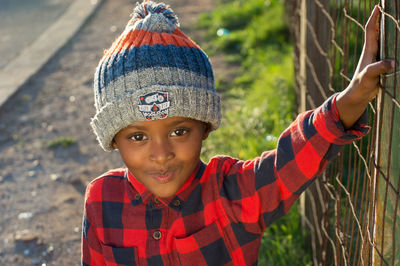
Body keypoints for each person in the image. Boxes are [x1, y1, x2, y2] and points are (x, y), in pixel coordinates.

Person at [81, 1, 395, 265]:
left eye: (179, 131)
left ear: (204, 128)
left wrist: (352, 98)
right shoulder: (101, 200)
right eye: (138, 136)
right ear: (113, 137)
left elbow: (288, 164)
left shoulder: (231, 194)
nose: (161, 153)